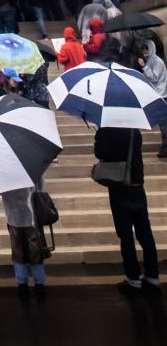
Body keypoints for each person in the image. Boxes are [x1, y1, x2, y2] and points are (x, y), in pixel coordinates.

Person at [94, 122, 160, 293]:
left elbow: (100, 153)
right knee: (145, 232)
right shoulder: (134, 131)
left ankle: (133, 278)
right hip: (138, 184)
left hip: (119, 185)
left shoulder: (106, 130)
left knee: (126, 235)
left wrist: (98, 134)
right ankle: (153, 276)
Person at [1, 185, 47, 294]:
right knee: (35, 252)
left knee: (18, 252)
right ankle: (39, 282)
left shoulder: (3, 179)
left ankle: (22, 283)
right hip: (31, 219)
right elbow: (38, 189)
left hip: (13, 219)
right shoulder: (28, 175)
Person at [137, 43, 167, 159]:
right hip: (157, 95)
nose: (144, 50)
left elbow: (154, 77)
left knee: (164, 125)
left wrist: (144, 66)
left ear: (152, 48)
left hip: (162, 96)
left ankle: (165, 149)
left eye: (146, 48)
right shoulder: (151, 61)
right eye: (143, 48)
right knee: (162, 124)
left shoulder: (157, 61)